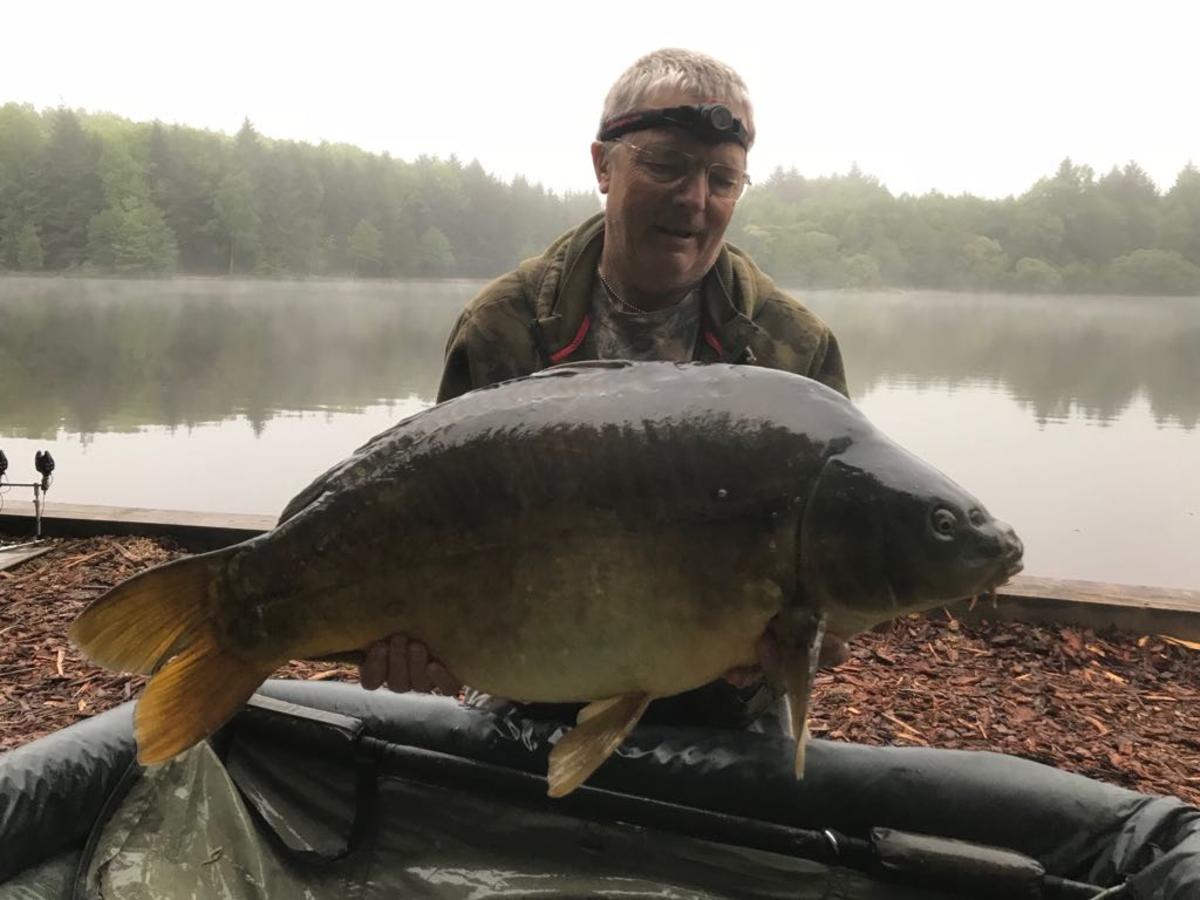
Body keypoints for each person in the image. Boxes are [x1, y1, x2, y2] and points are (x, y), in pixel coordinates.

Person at [359, 48, 849, 729]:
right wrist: (418, 643)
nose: (694, 199)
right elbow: (436, 525)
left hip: (729, 706)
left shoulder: (792, 350)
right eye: (666, 164)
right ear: (602, 165)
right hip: (529, 679)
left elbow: (830, 574)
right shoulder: (504, 324)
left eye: (722, 178)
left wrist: (814, 636)